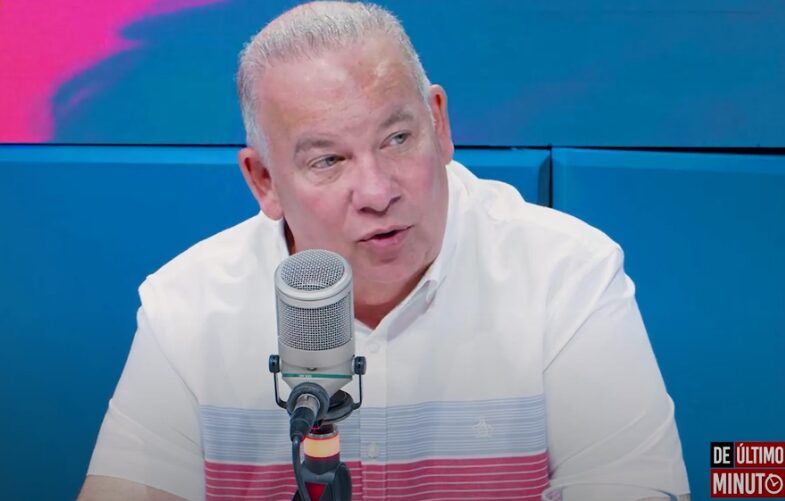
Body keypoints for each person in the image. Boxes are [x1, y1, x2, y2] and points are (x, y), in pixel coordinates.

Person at [79, 2, 690, 500]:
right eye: (328, 160)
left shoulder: (567, 274)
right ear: (264, 181)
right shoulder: (187, 305)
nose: (377, 192)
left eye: (397, 138)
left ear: (439, 125)